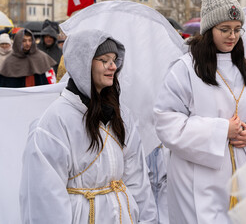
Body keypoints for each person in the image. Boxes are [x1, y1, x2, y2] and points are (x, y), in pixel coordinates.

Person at [153, 0, 246, 223]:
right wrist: (221, 131)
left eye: (237, 29)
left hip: (243, 171)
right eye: (225, 29)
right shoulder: (185, 69)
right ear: (209, 29)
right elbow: (166, 121)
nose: (232, 36)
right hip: (197, 177)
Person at [19, 29, 157, 223]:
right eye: (104, 60)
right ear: (83, 63)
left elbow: (137, 179)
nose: (112, 67)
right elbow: (44, 196)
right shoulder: (55, 121)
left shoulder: (121, 114)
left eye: (114, 60)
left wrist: (147, 220)